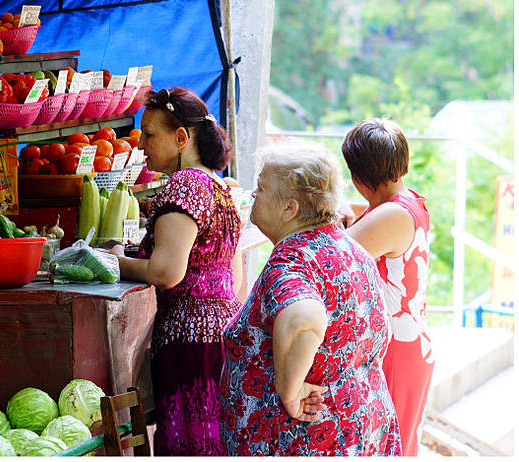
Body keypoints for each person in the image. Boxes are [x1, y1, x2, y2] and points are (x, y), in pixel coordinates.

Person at [219, 141, 402, 456]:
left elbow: (304, 320)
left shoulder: (290, 262)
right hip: (362, 428)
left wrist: (289, 392)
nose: (253, 196)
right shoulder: (352, 251)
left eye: (261, 189)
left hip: (307, 440)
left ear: (289, 208)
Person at [106, 87, 243, 455]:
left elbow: (166, 272)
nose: (141, 144)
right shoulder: (219, 185)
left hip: (189, 343)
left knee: (189, 443)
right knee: (213, 440)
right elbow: (234, 275)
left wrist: (114, 260)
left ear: (181, 137)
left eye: (149, 134)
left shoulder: (184, 186)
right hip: (221, 333)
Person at [341, 118, 433, 456]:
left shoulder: (390, 215)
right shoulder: (408, 201)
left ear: (359, 177)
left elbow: (328, 258)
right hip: (409, 342)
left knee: (386, 450)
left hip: (395, 348)